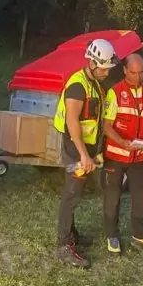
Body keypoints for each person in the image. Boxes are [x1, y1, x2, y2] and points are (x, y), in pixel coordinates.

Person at [52, 38, 119, 268]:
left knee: (77, 191)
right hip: (75, 147)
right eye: (104, 68)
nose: (107, 72)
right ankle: (63, 244)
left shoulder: (96, 85)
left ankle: (72, 236)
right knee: (72, 193)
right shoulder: (78, 85)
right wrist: (83, 154)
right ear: (92, 63)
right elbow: (72, 120)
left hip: (87, 147)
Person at [101, 53, 143, 255]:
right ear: (125, 70)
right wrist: (122, 142)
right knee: (113, 195)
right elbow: (107, 126)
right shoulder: (115, 92)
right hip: (116, 155)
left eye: (141, 72)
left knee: (141, 195)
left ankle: (140, 233)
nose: (138, 77)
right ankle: (112, 234)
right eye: (134, 73)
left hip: (140, 155)